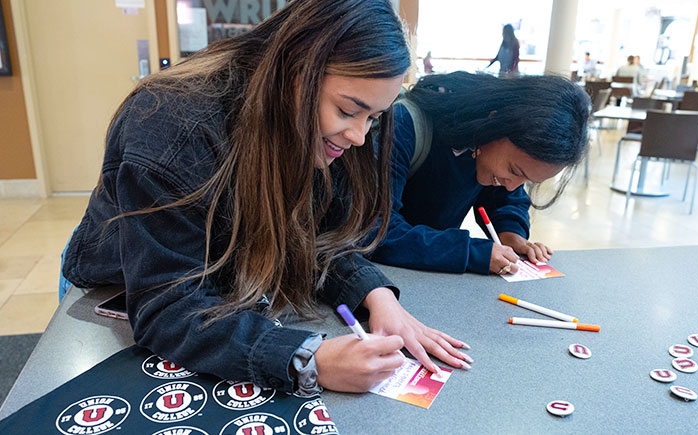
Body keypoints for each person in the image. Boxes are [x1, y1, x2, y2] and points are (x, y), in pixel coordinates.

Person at [61, 0, 472, 397]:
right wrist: (308, 359)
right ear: (296, 70)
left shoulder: (315, 131)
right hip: (117, 289)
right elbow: (168, 307)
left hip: (220, 279)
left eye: (373, 118)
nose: (359, 136)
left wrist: (375, 296)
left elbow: (315, 236)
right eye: (348, 111)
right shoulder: (170, 124)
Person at [366, 71, 590, 276]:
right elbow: (374, 229)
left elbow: (507, 200)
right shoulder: (404, 126)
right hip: (377, 278)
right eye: (514, 171)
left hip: (430, 277)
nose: (513, 185)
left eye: (526, 180)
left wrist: (511, 234)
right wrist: (471, 252)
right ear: (493, 122)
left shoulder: (492, 149)